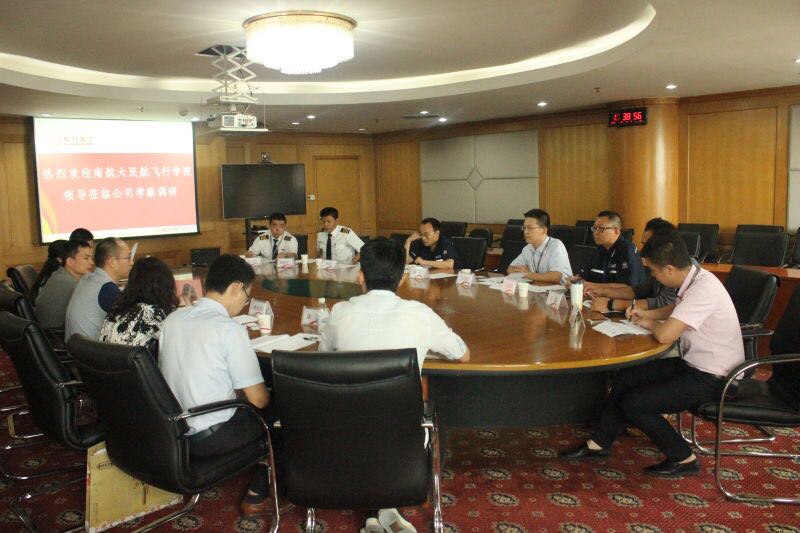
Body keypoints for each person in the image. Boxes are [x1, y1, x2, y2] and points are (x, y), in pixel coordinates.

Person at [559, 230, 744, 477]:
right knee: (628, 375)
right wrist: (646, 313)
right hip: (694, 364)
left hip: (715, 378)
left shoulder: (704, 290)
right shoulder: (696, 278)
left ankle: (684, 457)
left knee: (634, 404)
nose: (653, 276)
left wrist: (648, 323)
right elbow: (674, 308)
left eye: (654, 271)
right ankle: (599, 444)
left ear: (669, 269)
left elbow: (665, 335)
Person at [320, 236, 469, 533]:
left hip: (344, 426)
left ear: (360, 276)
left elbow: (325, 362)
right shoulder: (420, 314)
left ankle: (376, 512)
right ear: (402, 279)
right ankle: (390, 504)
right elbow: (462, 354)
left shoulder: (338, 313)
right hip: (404, 433)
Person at [158, 254, 271, 516]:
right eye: (246, 296)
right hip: (212, 438)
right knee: (284, 411)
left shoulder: (172, 320)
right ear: (235, 287)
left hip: (172, 432)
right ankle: (258, 491)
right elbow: (258, 400)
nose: (244, 303)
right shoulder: (228, 329)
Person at [585, 217, 679, 313]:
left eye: (647, 245)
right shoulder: (657, 267)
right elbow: (637, 291)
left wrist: (612, 304)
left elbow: (666, 303)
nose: (642, 250)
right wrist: (603, 291)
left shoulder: (676, 268)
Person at [99, 257, 178, 349]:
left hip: (110, 358)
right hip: (130, 358)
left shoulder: (116, 309)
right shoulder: (150, 312)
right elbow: (178, 340)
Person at [64, 237, 131, 341]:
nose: (131, 263)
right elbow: (131, 322)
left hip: (76, 346)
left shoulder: (88, 278)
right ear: (112, 261)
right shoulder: (107, 289)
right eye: (128, 258)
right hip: (92, 349)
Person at [35, 239, 94, 330]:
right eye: (86, 258)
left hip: (47, 331)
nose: (92, 263)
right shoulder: (71, 284)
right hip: (58, 334)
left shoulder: (58, 274)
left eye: (91, 258)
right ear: (70, 261)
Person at [577, 210, 644, 285]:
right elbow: (583, 276)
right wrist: (574, 280)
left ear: (616, 231)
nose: (595, 233)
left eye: (601, 228)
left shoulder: (628, 250)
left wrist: (593, 286)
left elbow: (628, 287)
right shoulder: (598, 250)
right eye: (594, 228)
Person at [507, 208, 572, 282]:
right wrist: (527, 274)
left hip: (561, 288)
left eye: (530, 228)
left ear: (544, 230)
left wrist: (528, 274)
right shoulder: (527, 248)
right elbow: (510, 268)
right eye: (524, 228)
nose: (526, 232)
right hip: (538, 287)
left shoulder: (556, 246)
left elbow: (555, 276)